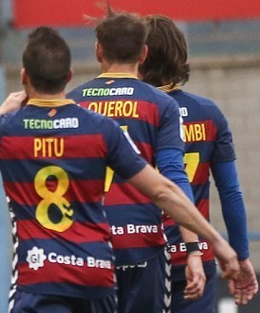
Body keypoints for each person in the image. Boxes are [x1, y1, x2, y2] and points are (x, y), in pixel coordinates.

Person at [0, 26, 239, 313]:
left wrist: (1, 111)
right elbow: (164, 189)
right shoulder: (100, 129)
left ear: (25, 77)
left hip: (40, 274)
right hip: (96, 270)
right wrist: (212, 242)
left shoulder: (5, 130)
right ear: (68, 76)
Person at [66, 11, 203, 313]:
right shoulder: (161, 104)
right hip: (143, 247)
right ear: (143, 53)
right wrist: (193, 248)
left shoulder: (73, 104)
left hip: (88, 251)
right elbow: (174, 179)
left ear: (98, 50)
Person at [139, 14, 259, 311]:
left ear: (139, 57)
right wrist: (240, 256)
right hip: (195, 259)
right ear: (181, 55)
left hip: (141, 256)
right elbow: (230, 191)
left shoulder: (129, 115)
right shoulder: (208, 113)